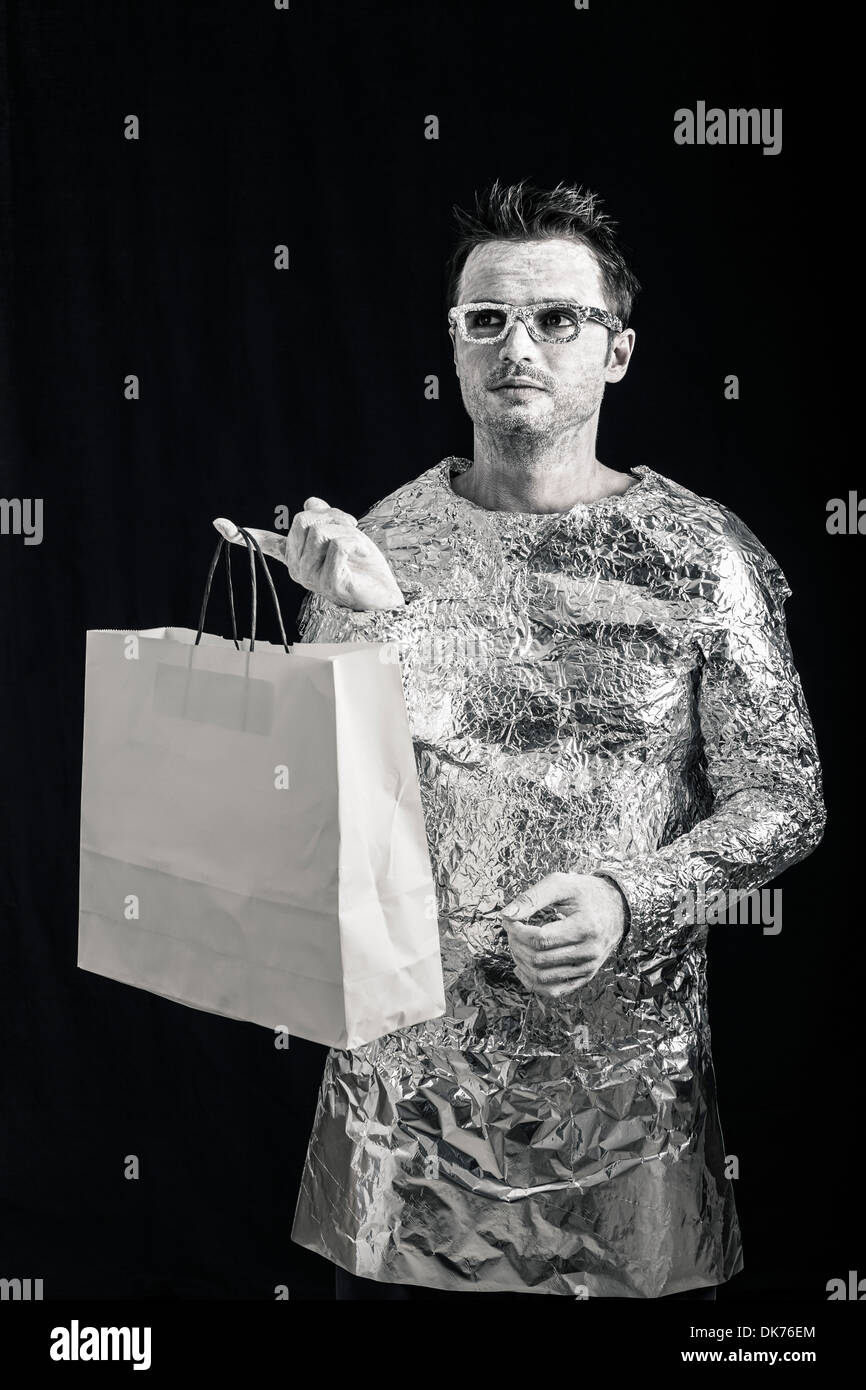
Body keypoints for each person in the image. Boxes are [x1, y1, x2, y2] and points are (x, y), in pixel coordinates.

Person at [214, 179, 825, 1299]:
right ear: (453, 344)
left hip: (623, 1114)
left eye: (557, 318)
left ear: (618, 351)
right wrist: (346, 614)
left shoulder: (700, 555)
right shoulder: (387, 534)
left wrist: (627, 896)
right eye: (483, 319)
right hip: (402, 1111)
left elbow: (784, 796)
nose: (518, 345)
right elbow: (306, 806)